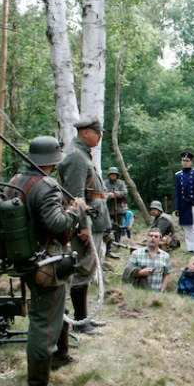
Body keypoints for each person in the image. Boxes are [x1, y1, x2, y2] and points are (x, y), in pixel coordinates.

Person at [9, 136, 85, 386]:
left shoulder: (16, 181)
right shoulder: (46, 186)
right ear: (53, 161)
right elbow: (56, 223)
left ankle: (62, 355)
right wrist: (76, 212)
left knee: (56, 309)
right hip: (47, 263)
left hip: (25, 259)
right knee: (43, 324)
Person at [58, 116, 109, 336]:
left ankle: (84, 317)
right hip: (86, 222)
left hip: (93, 219)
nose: (99, 136)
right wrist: (82, 227)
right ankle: (80, 321)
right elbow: (74, 196)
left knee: (88, 270)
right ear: (85, 132)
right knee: (83, 269)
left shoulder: (81, 154)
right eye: (97, 132)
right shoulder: (77, 157)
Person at [174, 150, 194, 253]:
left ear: (191, 162)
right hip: (183, 205)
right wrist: (177, 207)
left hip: (193, 204)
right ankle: (190, 248)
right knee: (186, 227)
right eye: (183, 160)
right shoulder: (178, 175)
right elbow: (177, 193)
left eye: (187, 161)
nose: (185, 162)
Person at [103, 166, 127, 250]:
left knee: (119, 227)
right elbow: (103, 193)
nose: (113, 176)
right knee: (107, 227)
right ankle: (107, 245)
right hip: (108, 209)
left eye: (114, 175)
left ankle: (117, 243)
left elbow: (124, 193)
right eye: (111, 174)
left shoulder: (121, 183)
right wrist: (109, 195)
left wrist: (115, 194)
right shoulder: (104, 183)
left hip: (119, 209)